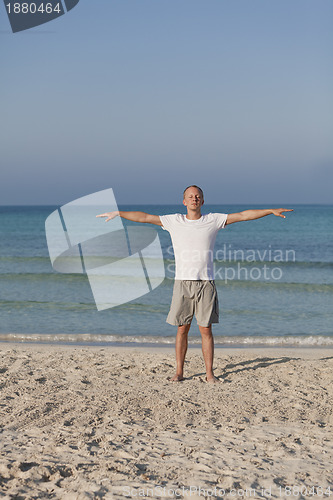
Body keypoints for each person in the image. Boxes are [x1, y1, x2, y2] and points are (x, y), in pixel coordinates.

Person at [97, 185, 293, 383]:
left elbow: (242, 215)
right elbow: (145, 217)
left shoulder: (213, 220)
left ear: (203, 201)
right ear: (184, 201)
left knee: (206, 329)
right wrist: (119, 213)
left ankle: (209, 373)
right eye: (190, 196)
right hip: (182, 282)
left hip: (206, 282)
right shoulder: (174, 221)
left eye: (198, 196)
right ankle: (179, 372)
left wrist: (269, 211)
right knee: (182, 328)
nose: (194, 199)